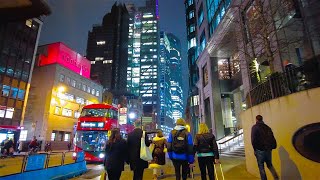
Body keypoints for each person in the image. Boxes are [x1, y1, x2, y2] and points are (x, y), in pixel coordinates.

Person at [251, 115, 279, 180]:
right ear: (262, 119)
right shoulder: (267, 127)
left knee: (261, 167)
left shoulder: (255, 127)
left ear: (256, 120)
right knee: (270, 165)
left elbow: (253, 140)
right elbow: (272, 137)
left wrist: (255, 150)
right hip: (268, 150)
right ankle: (276, 178)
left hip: (260, 150)